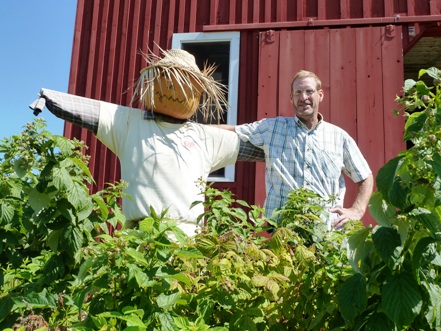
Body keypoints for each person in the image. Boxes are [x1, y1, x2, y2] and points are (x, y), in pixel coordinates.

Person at [29, 48, 263, 238]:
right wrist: (48, 97)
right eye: (167, 80)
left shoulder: (205, 136)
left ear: (198, 92)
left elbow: (254, 147)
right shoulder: (128, 122)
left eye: (181, 83)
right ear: (152, 81)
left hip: (188, 238)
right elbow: (89, 110)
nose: (172, 89)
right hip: (140, 234)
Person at [221, 70, 373, 230]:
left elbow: (365, 176)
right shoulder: (271, 129)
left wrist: (357, 210)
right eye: (298, 92)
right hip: (284, 232)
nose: (303, 98)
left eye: (309, 91)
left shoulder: (339, 137)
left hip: (327, 233)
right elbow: (232, 130)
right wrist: (194, 128)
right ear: (291, 98)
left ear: (320, 95)